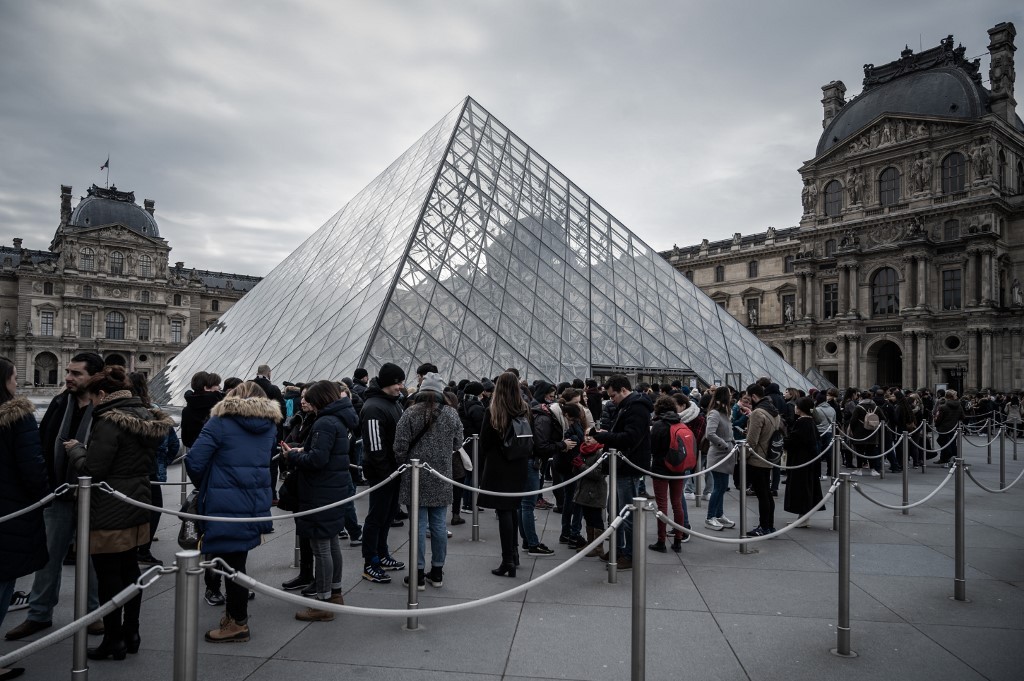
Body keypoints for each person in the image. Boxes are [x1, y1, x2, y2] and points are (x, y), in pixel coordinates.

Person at [65, 366, 174, 660]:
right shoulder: (145, 416)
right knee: (130, 570)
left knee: (109, 576)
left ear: (102, 394)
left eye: (92, 399)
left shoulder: (109, 422)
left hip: (109, 507)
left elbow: (93, 469)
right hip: (137, 502)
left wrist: (76, 450)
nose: (91, 404)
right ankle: (132, 632)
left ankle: (113, 639)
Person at [5, 352, 104, 643]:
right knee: (48, 558)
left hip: (95, 495)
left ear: (94, 376)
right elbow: (42, 442)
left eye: (76, 373)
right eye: (68, 371)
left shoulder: (105, 408)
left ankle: (93, 613)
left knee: (92, 560)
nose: (68, 377)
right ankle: (38, 613)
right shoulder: (60, 403)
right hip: (58, 492)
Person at [186, 381, 279, 642]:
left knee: (231, 563)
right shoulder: (269, 425)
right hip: (254, 500)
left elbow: (194, 461)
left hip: (223, 500)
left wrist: (207, 484)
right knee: (237, 557)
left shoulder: (220, 422)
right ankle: (233, 616)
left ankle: (238, 623)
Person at [282, 380, 358, 621]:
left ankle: (323, 602)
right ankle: (335, 593)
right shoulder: (340, 419)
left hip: (320, 491)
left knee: (321, 547)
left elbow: (317, 460)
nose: (307, 403)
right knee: (331, 543)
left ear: (320, 400)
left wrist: (292, 457)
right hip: (333, 488)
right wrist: (302, 450)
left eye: (311, 399)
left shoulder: (324, 422)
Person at [0, 357, 49, 680]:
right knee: (3, 581)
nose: (18, 382)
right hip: (10, 511)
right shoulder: (17, 417)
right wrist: (44, 495)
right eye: (15, 377)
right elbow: (32, 467)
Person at [394, 373, 463, 589]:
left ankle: (417, 574)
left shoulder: (410, 412)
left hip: (414, 475)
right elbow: (458, 443)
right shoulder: (451, 414)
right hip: (441, 474)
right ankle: (437, 572)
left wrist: (404, 462)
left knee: (417, 526)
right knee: (439, 526)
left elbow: (399, 446)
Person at [590, 374, 653, 571]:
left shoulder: (636, 407)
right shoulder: (629, 405)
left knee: (626, 513)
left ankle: (630, 554)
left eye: (613, 395)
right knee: (616, 511)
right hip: (623, 465)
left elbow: (630, 438)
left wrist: (604, 437)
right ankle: (618, 550)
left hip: (628, 466)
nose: (611, 400)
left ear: (624, 390)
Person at [359, 363, 408, 583]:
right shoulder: (373, 408)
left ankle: (382, 553)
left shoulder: (391, 403)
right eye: (398, 382)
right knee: (376, 517)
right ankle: (370, 562)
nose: (401, 386)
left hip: (393, 472)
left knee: (387, 516)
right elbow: (375, 447)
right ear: (388, 383)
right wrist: (387, 474)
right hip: (383, 474)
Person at [479, 372, 531, 577]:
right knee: (513, 508)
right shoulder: (524, 408)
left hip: (498, 466)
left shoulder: (493, 411)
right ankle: (514, 555)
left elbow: (484, 442)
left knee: (503, 512)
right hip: (518, 464)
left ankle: (507, 560)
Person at [128, 372, 179, 567]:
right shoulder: (156, 411)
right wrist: (162, 462)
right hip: (152, 471)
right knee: (154, 509)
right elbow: (173, 444)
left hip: (127, 473)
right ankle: (143, 549)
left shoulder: (117, 412)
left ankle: (129, 548)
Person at [648, 396, 689, 552]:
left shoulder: (658, 425)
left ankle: (661, 541)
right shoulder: (681, 423)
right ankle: (678, 540)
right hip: (679, 468)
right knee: (677, 503)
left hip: (661, 468)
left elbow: (653, 448)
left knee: (662, 505)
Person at [743, 383, 780, 537]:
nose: (748, 401)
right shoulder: (773, 411)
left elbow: (751, 441)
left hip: (758, 458)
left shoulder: (757, 413)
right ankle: (769, 525)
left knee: (762, 494)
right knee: (767, 494)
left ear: (753, 396)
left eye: (748, 398)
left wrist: (742, 457)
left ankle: (763, 526)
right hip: (769, 457)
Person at [783, 397, 824, 528]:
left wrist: (784, 440)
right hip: (808, 460)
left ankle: (803, 517)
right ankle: (803, 517)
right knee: (805, 487)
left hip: (801, 460)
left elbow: (793, 440)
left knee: (801, 488)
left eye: (796, 406)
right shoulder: (810, 421)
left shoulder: (802, 422)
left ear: (800, 408)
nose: (795, 408)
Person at [704, 386, 737, 531]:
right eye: (729, 394)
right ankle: (710, 517)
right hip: (719, 454)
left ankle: (718, 514)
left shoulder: (724, 413)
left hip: (726, 454)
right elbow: (710, 433)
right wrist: (724, 445)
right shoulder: (715, 413)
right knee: (719, 487)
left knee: (722, 487)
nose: (731, 397)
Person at [935, 389, 965, 466]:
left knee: (943, 442)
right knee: (952, 442)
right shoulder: (959, 406)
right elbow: (962, 417)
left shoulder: (943, 407)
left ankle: (946, 457)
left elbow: (938, 419)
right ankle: (953, 457)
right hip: (954, 427)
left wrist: (936, 424)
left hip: (944, 428)